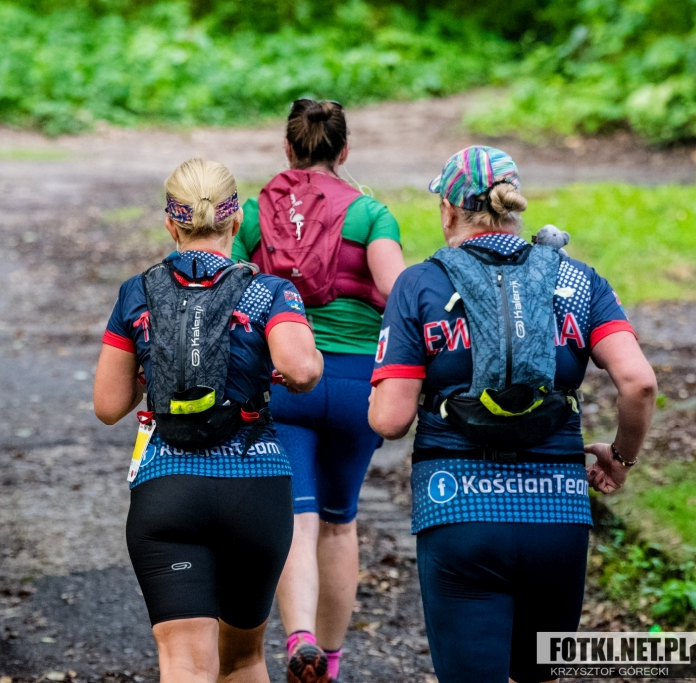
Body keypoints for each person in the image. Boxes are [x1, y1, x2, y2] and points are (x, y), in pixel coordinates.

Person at [368, 146, 657, 683]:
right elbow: (639, 383)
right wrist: (620, 458)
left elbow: (390, 420)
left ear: (448, 210)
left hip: (459, 513)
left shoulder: (420, 285)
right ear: (515, 207)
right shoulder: (577, 280)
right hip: (558, 516)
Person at [93, 158, 323, 683]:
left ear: (170, 224)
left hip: (168, 492)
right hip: (255, 487)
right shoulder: (270, 291)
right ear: (236, 221)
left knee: (185, 662)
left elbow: (107, 405)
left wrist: (159, 366)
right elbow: (301, 368)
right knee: (243, 657)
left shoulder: (138, 292)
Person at [232, 99, 406, 683]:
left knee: (298, 517)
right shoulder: (370, 214)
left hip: (286, 382)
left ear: (288, 148)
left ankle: (299, 637)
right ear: (344, 150)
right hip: (357, 385)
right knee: (339, 521)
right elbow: (399, 293)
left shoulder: (254, 214)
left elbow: (231, 293)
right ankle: (328, 661)